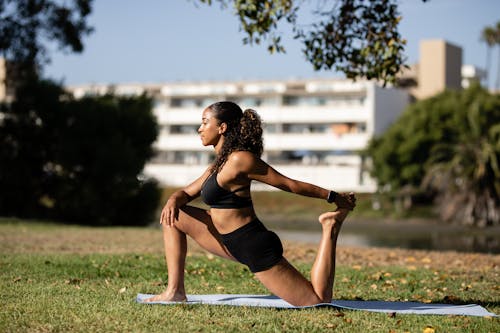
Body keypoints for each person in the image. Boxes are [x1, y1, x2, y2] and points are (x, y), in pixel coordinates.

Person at [146, 101, 356, 306]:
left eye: (204, 122)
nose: (199, 128)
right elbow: (186, 192)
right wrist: (173, 199)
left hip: (251, 245)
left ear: (222, 127)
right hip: (224, 238)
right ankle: (175, 291)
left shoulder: (240, 159)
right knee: (172, 217)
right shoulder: (219, 163)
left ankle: (331, 226)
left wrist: (333, 197)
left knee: (317, 300)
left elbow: (289, 184)